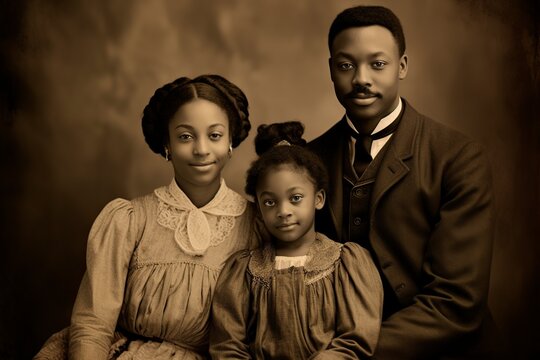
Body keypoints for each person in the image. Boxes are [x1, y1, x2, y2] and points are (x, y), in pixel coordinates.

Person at [307, 5, 497, 360]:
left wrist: (349, 352)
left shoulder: (458, 157)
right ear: (331, 69)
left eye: (377, 64)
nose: (361, 78)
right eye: (346, 65)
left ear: (402, 66)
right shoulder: (309, 160)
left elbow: (456, 304)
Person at [34, 74, 258, 360]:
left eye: (214, 135)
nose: (201, 150)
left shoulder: (256, 226)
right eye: (185, 136)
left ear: (230, 141)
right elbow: (93, 323)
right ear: (167, 144)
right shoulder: (130, 220)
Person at [209, 121, 383, 359]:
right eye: (270, 202)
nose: (283, 211)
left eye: (296, 198)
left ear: (318, 199)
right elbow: (227, 345)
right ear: (258, 209)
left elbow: (355, 339)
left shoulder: (345, 263)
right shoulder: (245, 271)